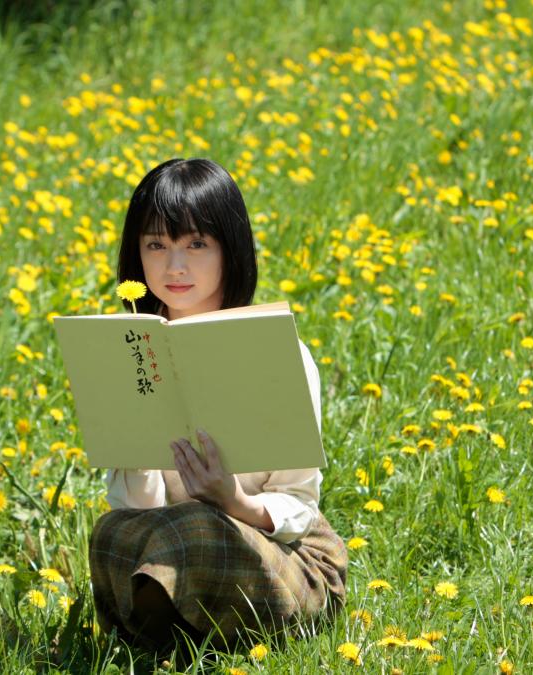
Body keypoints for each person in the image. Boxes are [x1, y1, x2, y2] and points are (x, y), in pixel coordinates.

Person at [88, 158, 348, 652]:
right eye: (156, 245)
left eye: (197, 244)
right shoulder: (133, 353)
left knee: (197, 530)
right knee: (111, 533)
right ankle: (173, 636)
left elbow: (300, 504)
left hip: (284, 556)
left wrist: (233, 500)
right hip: (171, 543)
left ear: (231, 248)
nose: (174, 266)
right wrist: (134, 451)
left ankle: (163, 639)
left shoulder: (279, 353)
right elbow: (136, 514)